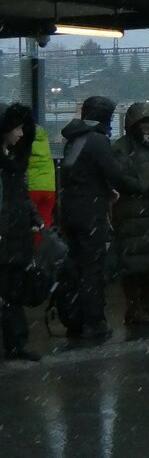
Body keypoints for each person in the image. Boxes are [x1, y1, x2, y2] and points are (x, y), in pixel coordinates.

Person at [59, 95, 139, 340]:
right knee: (92, 268)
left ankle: (73, 319)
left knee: (74, 265)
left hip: (70, 210)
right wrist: (139, 186)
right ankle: (94, 321)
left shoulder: (74, 139)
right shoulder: (98, 141)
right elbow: (114, 174)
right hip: (90, 212)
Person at [111, 102, 149, 326]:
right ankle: (135, 308)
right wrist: (144, 188)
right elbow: (120, 177)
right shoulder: (122, 148)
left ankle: (147, 305)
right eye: (142, 123)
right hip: (132, 214)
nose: (146, 127)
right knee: (133, 267)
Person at [0, 103, 41, 362]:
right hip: (8, 234)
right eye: (16, 128)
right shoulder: (9, 163)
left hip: (12, 235)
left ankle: (17, 342)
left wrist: (33, 217)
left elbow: (19, 196)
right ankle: (17, 342)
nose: (21, 133)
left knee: (10, 291)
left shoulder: (12, 161)